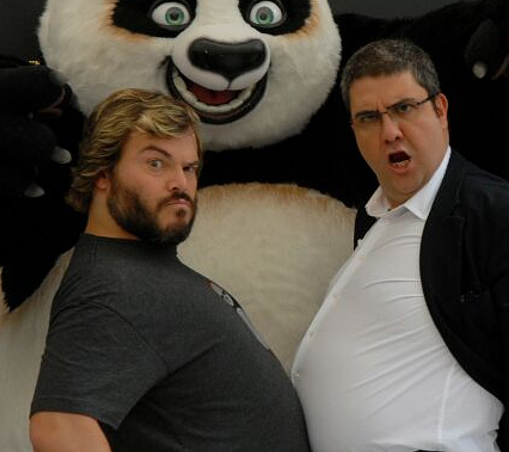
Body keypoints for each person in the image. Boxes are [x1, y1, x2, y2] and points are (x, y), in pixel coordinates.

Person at [291, 39, 509, 452]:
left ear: (440, 110)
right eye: (369, 117)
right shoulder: (373, 218)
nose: (389, 132)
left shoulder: (505, 217)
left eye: (404, 108)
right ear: (354, 131)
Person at [29, 88, 310, 452]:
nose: (181, 183)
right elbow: (56, 428)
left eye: (189, 168)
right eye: (156, 163)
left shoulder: (138, 269)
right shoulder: (108, 289)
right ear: (102, 172)